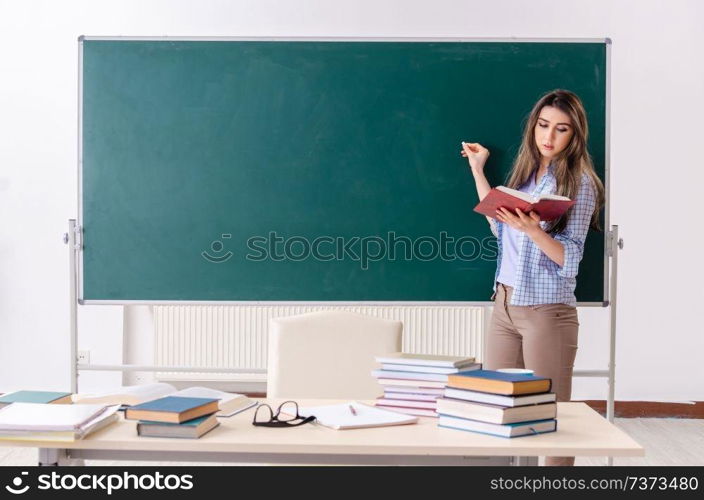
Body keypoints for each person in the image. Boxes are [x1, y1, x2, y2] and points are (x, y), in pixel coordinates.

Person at [461, 89, 605, 466]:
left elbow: (570, 257)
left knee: (552, 418)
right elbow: (498, 227)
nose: (549, 137)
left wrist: (535, 231)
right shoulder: (525, 176)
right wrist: (478, 170)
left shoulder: (581, 182)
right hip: (504, 306)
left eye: (561, 130)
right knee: (499, 411)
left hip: (547, 312)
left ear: (574, 136)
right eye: (543, 126)